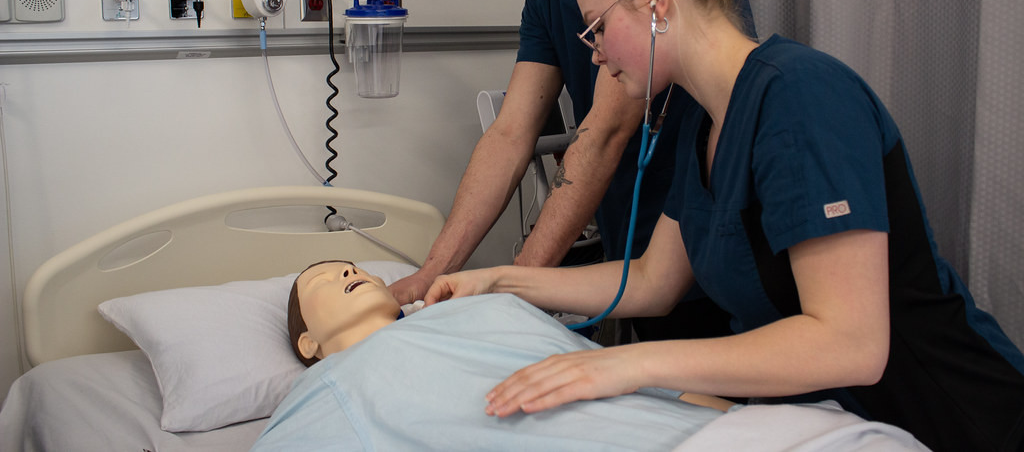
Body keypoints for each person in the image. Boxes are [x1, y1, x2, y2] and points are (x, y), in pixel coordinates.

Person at [424, 0, 1024, 452]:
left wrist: (627, 367)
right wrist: (499, 280)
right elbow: (654, 282)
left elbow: (852, 345)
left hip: (952, 418)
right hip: (828, 423)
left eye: (598, 29)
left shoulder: (800, 97)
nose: (595, 54)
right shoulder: (703, 127)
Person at [391, 0, 755, 344]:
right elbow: (511, 135)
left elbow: (605, 132)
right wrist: (431, 274)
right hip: (639, 265)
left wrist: (512, 290)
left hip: (710, 251)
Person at [251, 260, 926, 451]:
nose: (351, 272)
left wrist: (745, 420)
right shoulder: (330, 390)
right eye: (324, 280)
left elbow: (620, 374)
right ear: (308, 343)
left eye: (354, 266)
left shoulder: (484, 308)